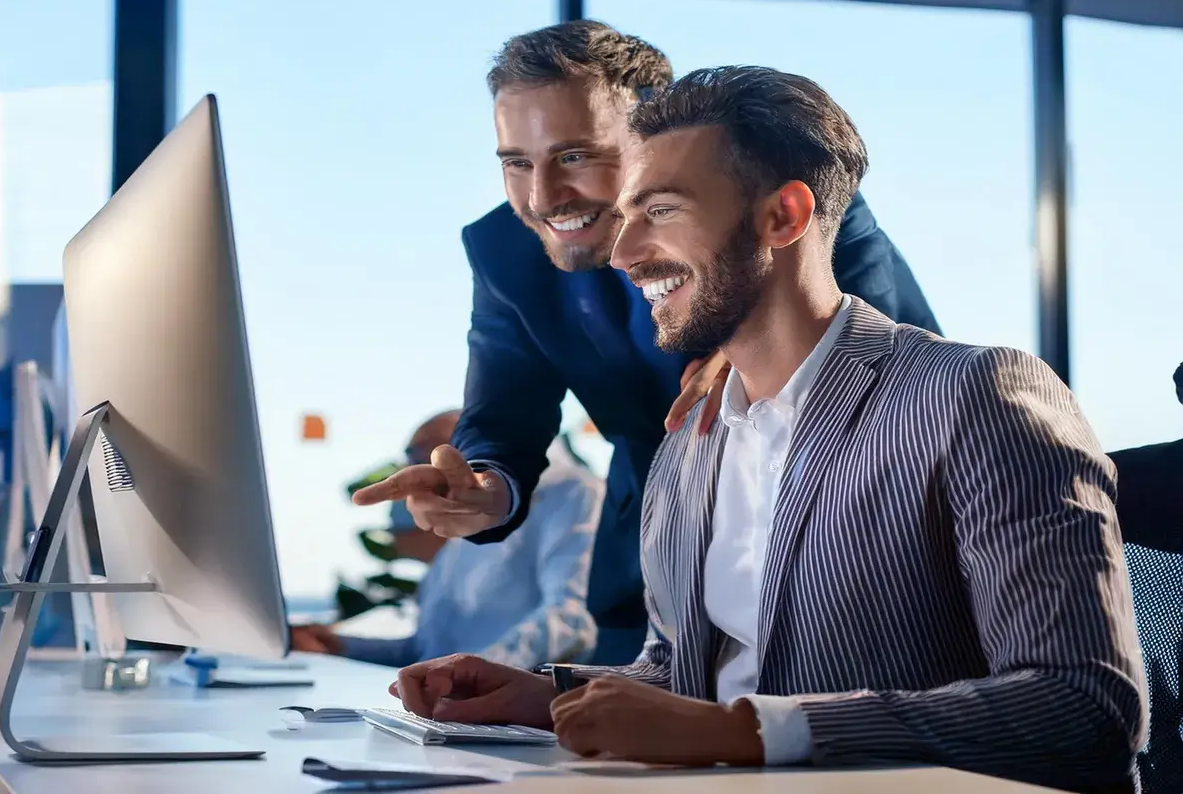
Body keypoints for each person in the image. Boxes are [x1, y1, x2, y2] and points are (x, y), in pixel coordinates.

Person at [386, 67, 1148, 793]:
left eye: (660, 211)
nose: (620, 254)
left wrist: (741, 735)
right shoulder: (688, 445)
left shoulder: (979, 397)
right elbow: (687, 677)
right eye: (624, 217)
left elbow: (1085, 707)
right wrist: (541, 696)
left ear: (783, 216)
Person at [351, 21, 941, 664]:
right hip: (649, 553)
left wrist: (755, 352)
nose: (544, 197)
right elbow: (503, 411)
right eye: (517, 163)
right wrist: (487, 489)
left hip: (838, 534)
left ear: (653, 134)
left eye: (576, 155)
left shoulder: (784, 195)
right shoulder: (503, 250)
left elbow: (878, 344)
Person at [292, 410, 602, 669]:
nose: (411, 475)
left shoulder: (574, 491)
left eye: (416, 458)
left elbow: (571, 621)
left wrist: (469, 673)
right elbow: (422, 652)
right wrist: (336, 645)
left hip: (509, 725)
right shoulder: (457, 522)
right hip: (444, 713)